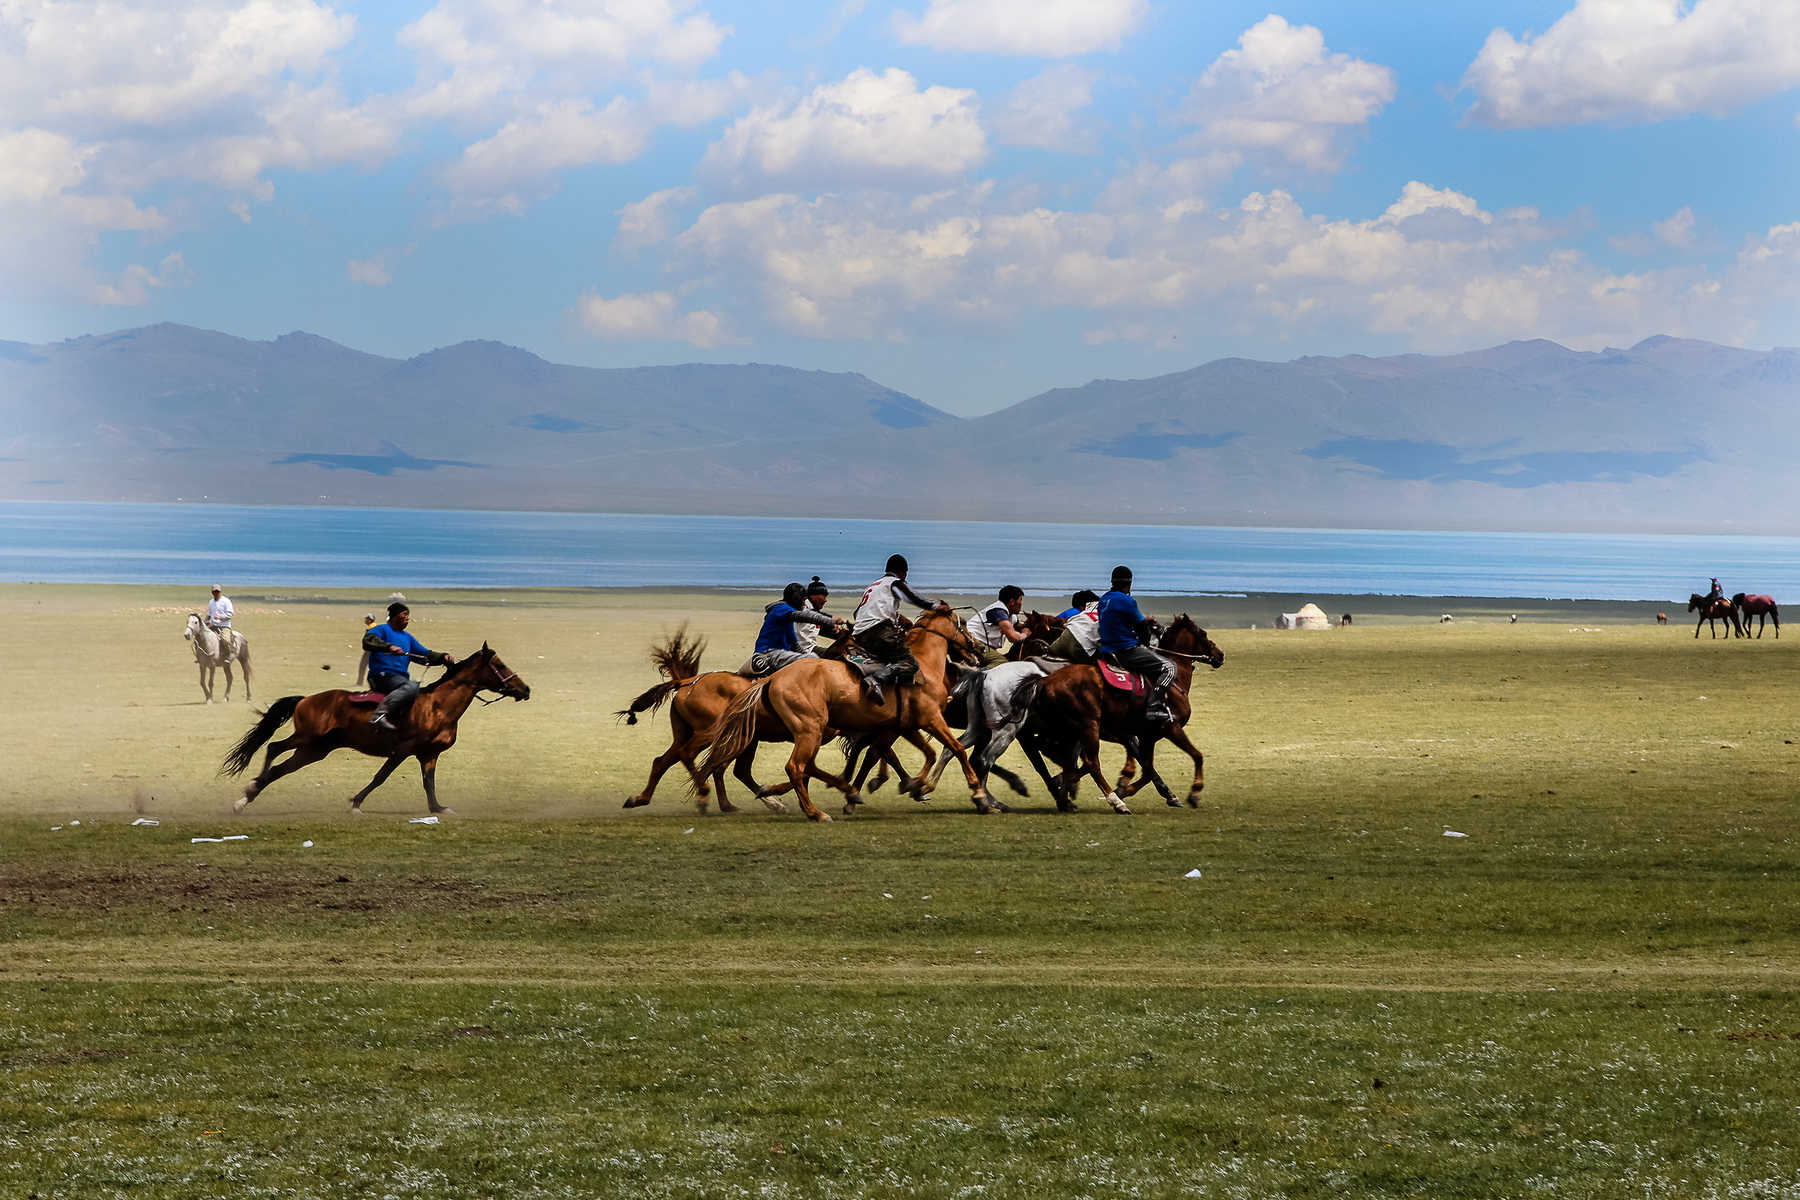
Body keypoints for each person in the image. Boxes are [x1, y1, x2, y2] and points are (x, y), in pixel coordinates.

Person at [851, 554, 951, 704]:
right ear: (903, 572)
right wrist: (936, 606)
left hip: (859, 634)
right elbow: (912, 597)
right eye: (906, 574)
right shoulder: (894, 583)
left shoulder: (873, 585)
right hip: (879, 632)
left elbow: (857, 613)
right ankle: (876, 680)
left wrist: (896, 617)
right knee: (909, 662)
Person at [1096, 565, 1176, 724]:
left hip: (1106, 650)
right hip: (1125, 651)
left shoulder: (1104, 599)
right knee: (1170, 667)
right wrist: (1144, 645)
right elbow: (1142, 630)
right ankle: (1154, 707)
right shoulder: (1127, 600)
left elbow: (1117, 621)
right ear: (1130, 583)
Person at [364, 601, 455, 731]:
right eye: (404, 614)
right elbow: (368, 641)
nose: (407, 618)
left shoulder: (408, 638)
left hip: (399, 680)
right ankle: (378, 716)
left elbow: (424, 654)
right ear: (395, 616)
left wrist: (442, 657)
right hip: (382, 676)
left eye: (408, 615)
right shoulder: (381, 629)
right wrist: (389, 647)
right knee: (412, 686)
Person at [742, 582, 842, 676]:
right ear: (796, 599)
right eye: (803, 600)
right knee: (813, 658)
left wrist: (808, 655)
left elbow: (795, 646)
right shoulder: (781, 609)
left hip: (780, 654)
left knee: (813, 657)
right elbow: (807, 617)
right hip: (768, 654)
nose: (804, 604)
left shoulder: (787, 621)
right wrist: (831, 621)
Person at [966, 585, 1030, 668]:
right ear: (1012, 602)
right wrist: (1025, 634)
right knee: (1001, 662)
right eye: (1020, 600)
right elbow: (1013, 637)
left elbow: (1019, 626)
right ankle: (976, 678)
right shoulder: (999, 611)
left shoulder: (1010, 615)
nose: (1021, 604)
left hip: (983, 644)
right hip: (972, 641)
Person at [1047, 590, 1101, 662]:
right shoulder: (1106, 607)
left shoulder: (1080, 612)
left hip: (1067, 633)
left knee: (1049, 653)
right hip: (1082, 645)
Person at [793, 577, 834, 656]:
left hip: (809, 649)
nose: (826, 600)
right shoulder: (803, 609)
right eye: (824, 596)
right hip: (805, 651)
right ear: (814, 596)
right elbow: (811, 615)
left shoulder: (812, 611)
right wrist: (832, 619)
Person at [353, 612, 376, 688]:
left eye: (366, 618)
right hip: (373, 649)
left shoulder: (371, 628)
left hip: (370, 650)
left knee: (363, 665)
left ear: (370, 620)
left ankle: (360, 682)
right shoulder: (373, 626)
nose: (365, 620)